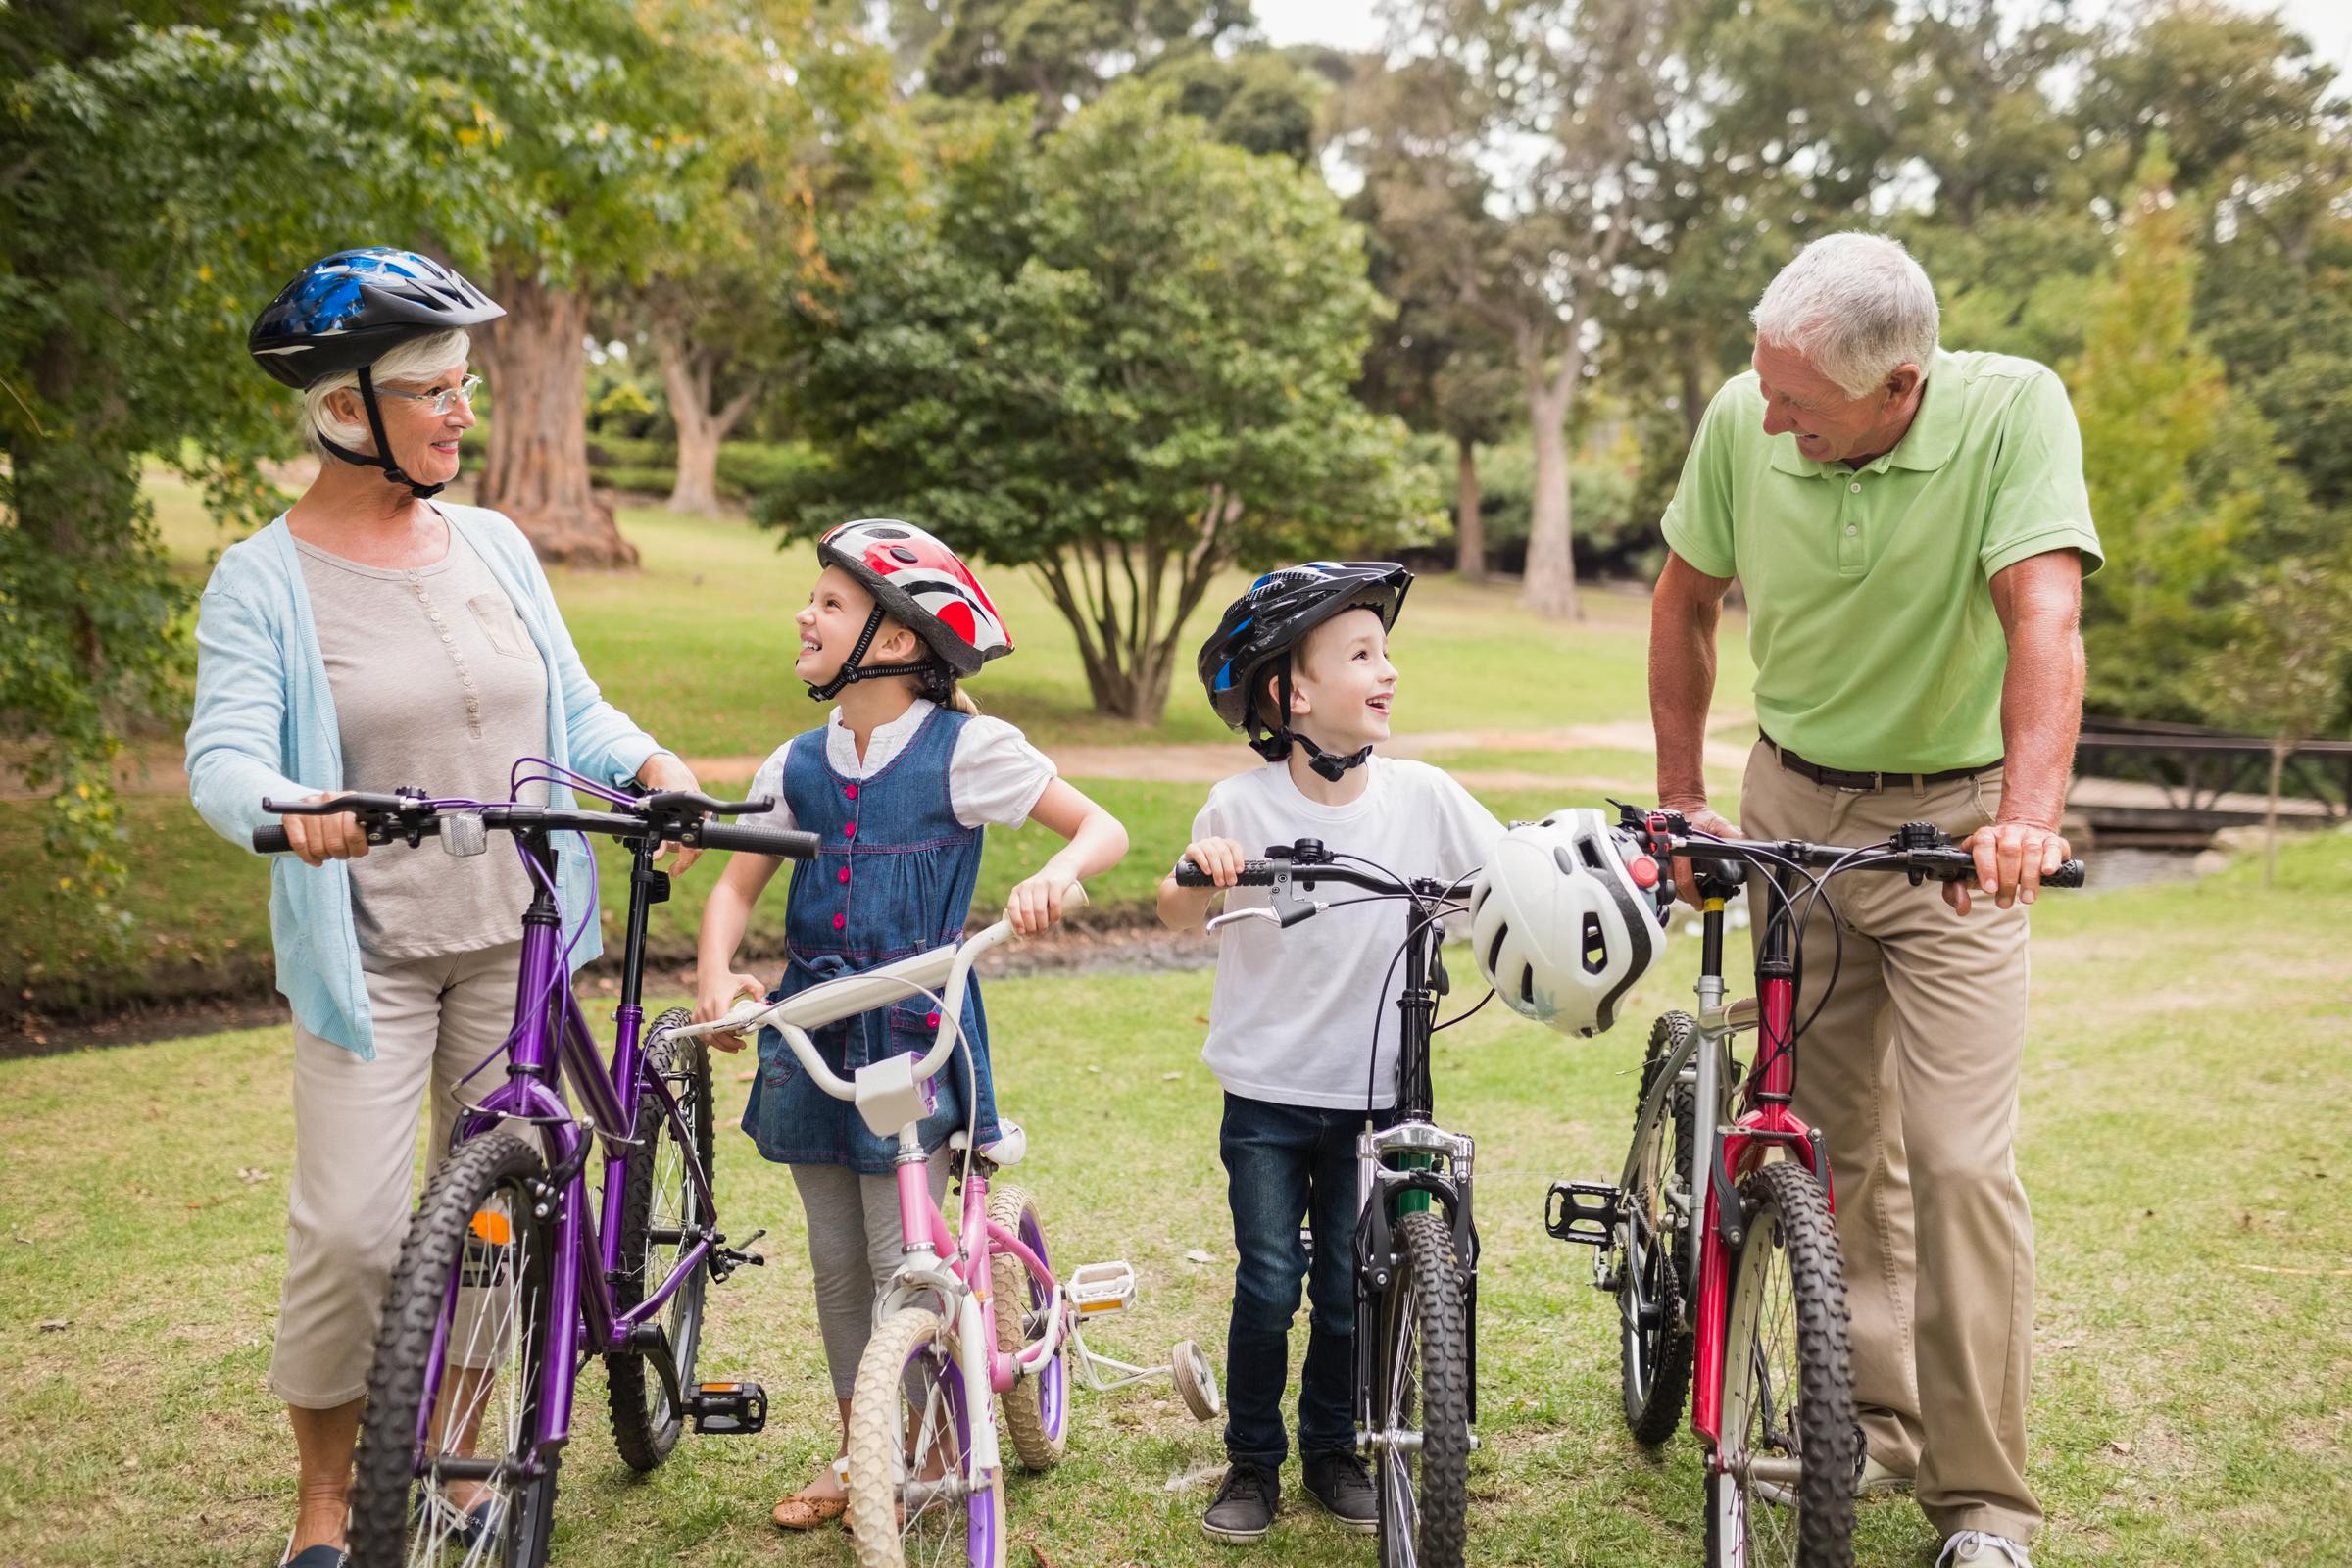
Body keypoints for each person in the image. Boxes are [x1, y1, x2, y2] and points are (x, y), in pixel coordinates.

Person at [186, 248, 704, 1568]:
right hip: (374, 954)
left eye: (464, 384)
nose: (462, 410)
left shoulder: (493, 543)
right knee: (356, 1235)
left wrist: (651, 767)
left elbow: (568, 707)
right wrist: (287, 806)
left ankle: (467, 1460)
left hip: (516, 940)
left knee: (491, 1226)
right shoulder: (265, 579)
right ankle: (324, 1502)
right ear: (345, 410)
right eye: (432, 387)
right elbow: (225, 757)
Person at [1648, 232, 2101, 1568]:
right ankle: (1873, 1424)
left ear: (1900, 383)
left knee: (1959, 1160)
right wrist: (1683, 797)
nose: (1768, 418)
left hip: (1956, 839)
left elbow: (2044, 620)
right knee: (1827, 1144)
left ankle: (1983, 1506)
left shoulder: (2013, 411)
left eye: (1801, 403)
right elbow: (1685, 606)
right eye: (1765, 387)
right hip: (1793, 810)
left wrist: (2026, 814)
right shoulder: (1749, 414)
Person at [689, 518, 1129, 1531]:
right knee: (838, 1258)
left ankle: (931, 1442)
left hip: (912, 1030)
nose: (806, 614)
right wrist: (719, 979)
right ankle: (861, 1447)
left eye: (831, 604)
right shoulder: (795, 762)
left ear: (894, 641)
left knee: (902, 1256)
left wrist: (1054, 877)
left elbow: (1096, 826)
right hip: (812, 1029)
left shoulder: (966, 750)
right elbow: (733, 891)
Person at [1158, 563, 1503, 1544]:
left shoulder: (1424, 797)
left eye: (1386, 651)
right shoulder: (1240, 804)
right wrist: (1200, 868)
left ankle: (1335, 1450)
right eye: (1363, 654)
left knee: (1354, 1289)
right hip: (1266, 1098)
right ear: (1292, 693)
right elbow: (1177, 907)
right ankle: (1253, 1464)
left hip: (1377, 1099)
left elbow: (1508, 873)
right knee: (1268, 1283)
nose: (1387, 670)